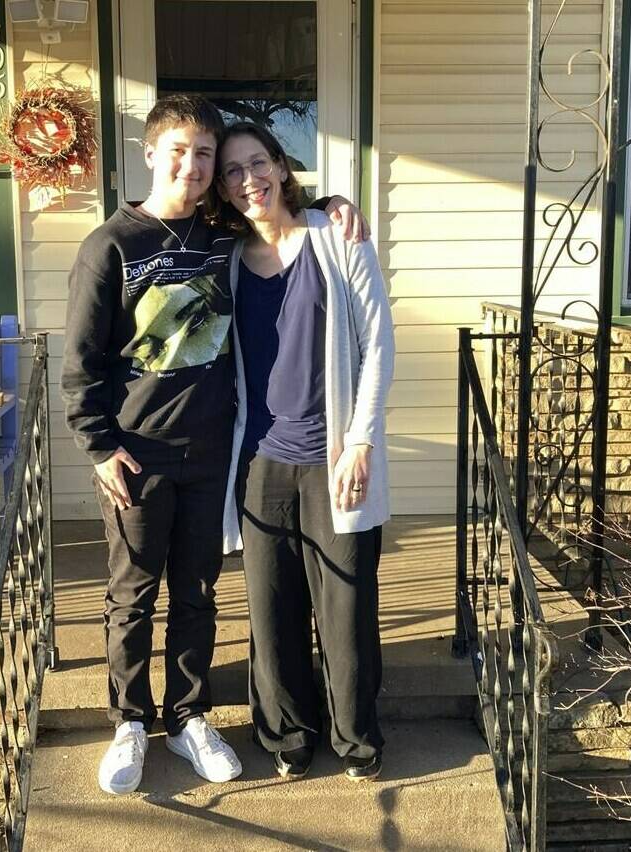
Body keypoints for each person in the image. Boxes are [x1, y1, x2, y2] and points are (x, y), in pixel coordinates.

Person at [61, 95, 367, 795]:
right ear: (150, 154)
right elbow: (80, 362)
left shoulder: (219, 233)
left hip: (211, 452)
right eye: (180, 151)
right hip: (136, 454)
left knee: (197, 592)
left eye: (205, 155)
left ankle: (190, 715)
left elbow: (279, 208)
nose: (195, 167)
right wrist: (99, 446)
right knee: (132, 594)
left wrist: (338, 201)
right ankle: (130, 723)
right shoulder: (111, 245)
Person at [217, 122, 394, 783]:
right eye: (232, 171)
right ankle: (289, 736)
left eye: (256, 163)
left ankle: (357, 740)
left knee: (345, 612)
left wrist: (362, 441)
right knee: (272, 607)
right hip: (260, 460)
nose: (247, 180)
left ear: (282, 167)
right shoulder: (229, 259)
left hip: (334, 457)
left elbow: (378, 343)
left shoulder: (335, 237)